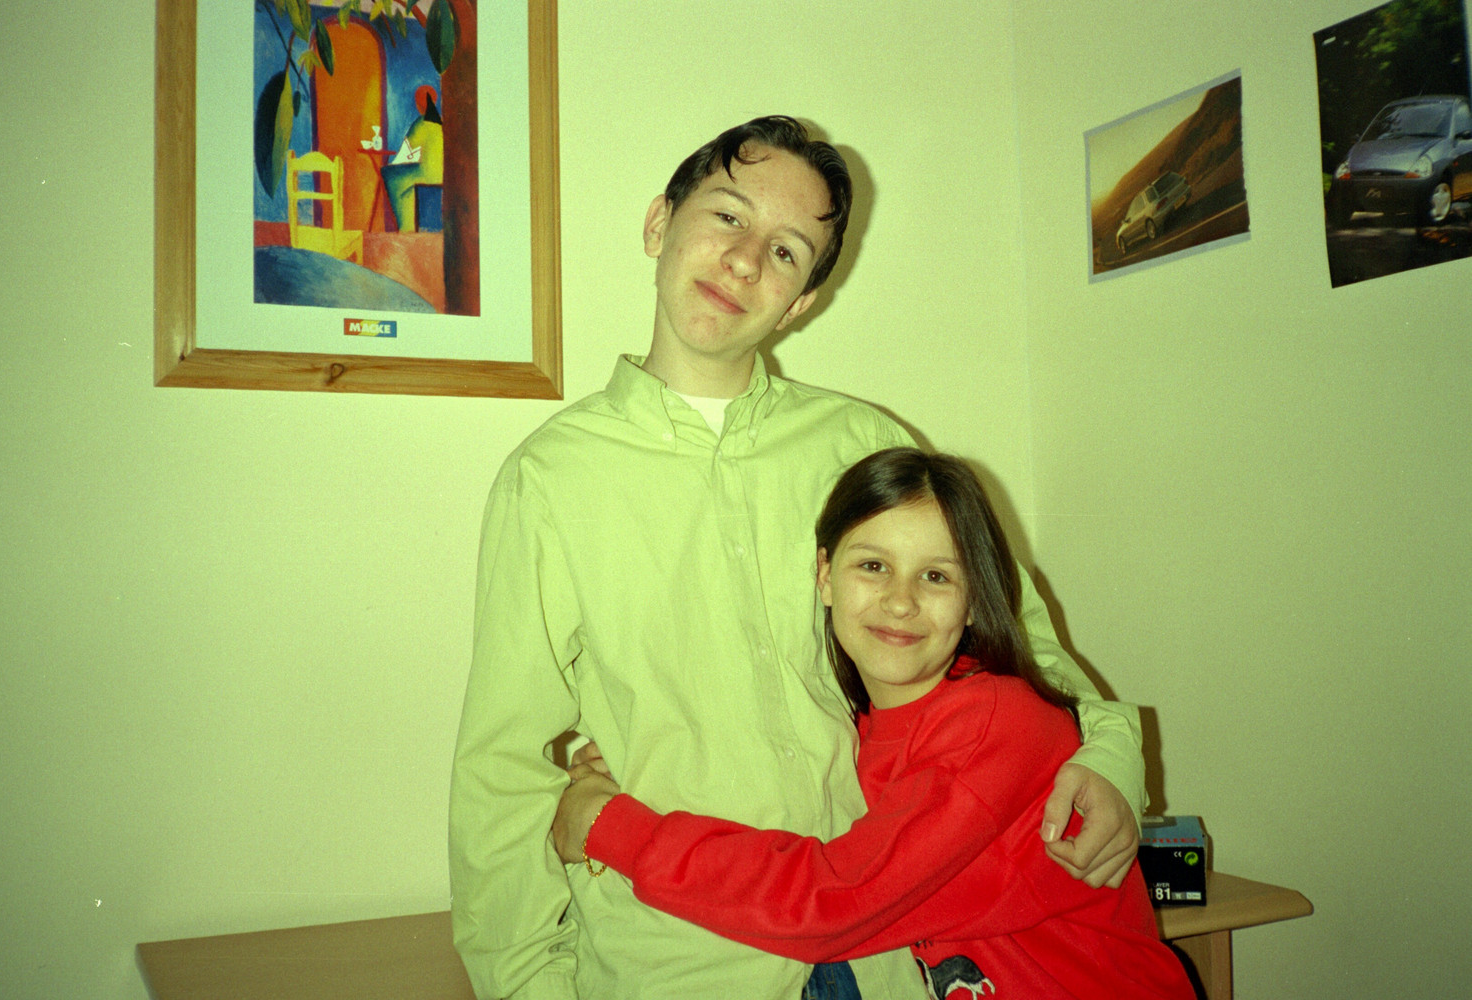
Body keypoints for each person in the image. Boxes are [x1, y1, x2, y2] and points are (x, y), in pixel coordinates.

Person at [449, 116, 1146, 1000]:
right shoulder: (550, 479)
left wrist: (1113, 762)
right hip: (680, 962)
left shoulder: (865, 444)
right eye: (728, 216)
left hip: (895, 954)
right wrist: (527, 988)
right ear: (660, 223)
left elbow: (1025, 653)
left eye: (786, 252)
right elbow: (502, 769)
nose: (746, 260)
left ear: (802, 302)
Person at [553, 448, 1195, 1000]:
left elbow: (831, 903)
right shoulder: (858, 726)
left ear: (976, 601)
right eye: (873, 566)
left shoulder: (997, 723)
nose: (900, 600)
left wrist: (609, 827)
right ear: (825, 577)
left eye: (936, 576)